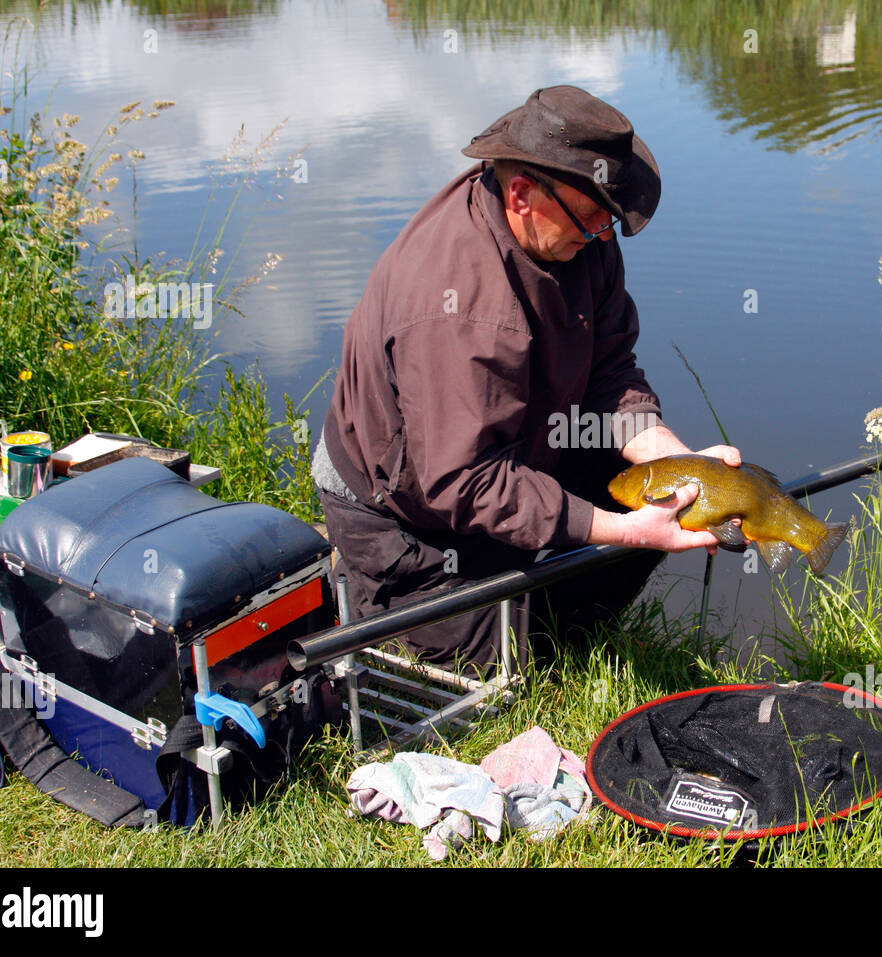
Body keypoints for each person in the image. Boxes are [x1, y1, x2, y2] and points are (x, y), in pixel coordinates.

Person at [313, 85, 739, 673]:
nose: (601, 237)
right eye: (590, 221)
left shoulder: (578, 234)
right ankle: (386, 596)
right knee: (493, 668)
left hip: (519, 445)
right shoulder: (455, 307)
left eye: (607, 221)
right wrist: (624, 530)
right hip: (407, 513)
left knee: (650, 496)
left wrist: (683, 466)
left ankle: (563, 629)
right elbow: (464, 480)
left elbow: (612, 372)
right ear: (521, 194)